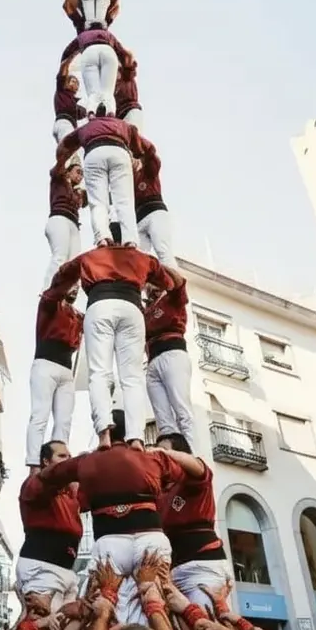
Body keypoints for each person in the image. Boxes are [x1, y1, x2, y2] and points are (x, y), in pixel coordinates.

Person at [37, 439, 185, 625]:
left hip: (110, 547)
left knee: (105, 613)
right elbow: (183, 473)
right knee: (155, 609)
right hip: (150, 541)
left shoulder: (88, 460)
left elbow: (49, 476)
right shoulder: (151, 457)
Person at [45, 244, 174, 446]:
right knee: (132, 377)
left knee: (99, 372)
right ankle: (136, 438)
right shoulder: (140, 257)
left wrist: (55, 293)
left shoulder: (91, 255)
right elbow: (168, 281)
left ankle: (104, 434)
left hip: (100, 304)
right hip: (131, 307)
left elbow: (63, 274)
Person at [54, 115, 157, 249]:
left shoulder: (87, 127)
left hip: (94, 152)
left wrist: (61, 163)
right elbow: (146, 147)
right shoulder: (123, 125)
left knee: (98, 203)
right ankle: (130, 240)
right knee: (124, 201)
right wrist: (139, 158)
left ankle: (102, 238)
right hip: (119, 151)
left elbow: (65, 145)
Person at [153, 435, 231, 610]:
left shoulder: (192, 479)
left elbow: (197, 466)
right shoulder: (161, 493)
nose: (161, 457)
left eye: (166, 451)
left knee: (205, 626)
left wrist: (165, 453)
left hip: (201, 565)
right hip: (175, 570)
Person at [17, 441, 83, 612]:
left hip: (66, 572)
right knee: (38, 627)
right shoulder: (34, 485)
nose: (68, 460)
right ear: (46, 461)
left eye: (69, 456)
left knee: (70, 628)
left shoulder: (70, 494)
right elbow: (52, 477)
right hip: (42, 569)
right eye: (62, 456)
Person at [26, 286, 82, 465]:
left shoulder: (78, 316)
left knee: (64, 419)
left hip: (66, 369)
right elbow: (54, 290)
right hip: (45, 364)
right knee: (40, 415)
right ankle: (34, 462)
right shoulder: (50, 305)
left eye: (77, 286)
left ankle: (60, 462)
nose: (75, 289)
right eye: (71, 285)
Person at [145, 267, 193, 441]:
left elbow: (180, 282)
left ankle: (193, 454)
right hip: (152, 361)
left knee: (182, 410)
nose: (152, 287)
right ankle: (171, 456)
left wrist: (158, 265)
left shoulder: (171, 298)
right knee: (163, 419)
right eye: (148, 284)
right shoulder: (145, 312)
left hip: (172, 354)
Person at [59, 28, 134, 118]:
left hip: (89, 52)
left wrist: (70, 57)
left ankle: (92, 112)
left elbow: (68, 52)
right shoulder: (108, 34)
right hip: (108, 51)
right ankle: (110, 112)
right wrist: (124, 64)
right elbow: (124, 53)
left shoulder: (83, 35)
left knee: (93, 92)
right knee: (107, 91)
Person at [44, 162, 86, 288]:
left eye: (82, 174)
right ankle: (47, 290)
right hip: (59, 218)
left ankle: (66, 295)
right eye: (78, 172)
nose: (80, 176)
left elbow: (98, 195)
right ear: (68, 172)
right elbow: (59, 163)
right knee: (60, 256)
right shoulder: (59, 179)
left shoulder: (78, 193)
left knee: (73, 263)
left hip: (73, 225)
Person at [132, 153, 175, 267]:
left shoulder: (148, 169)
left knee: (163, 251)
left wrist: (138, 145)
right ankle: (140, 283)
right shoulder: (127, 179)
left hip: (155, 212)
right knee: (137, 257)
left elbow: (153, 158)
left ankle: (173, 284)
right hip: (138, 220)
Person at [53, 74, 89, 144]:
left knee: (75, 151)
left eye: (77, 83)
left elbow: (81, 113)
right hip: (64, 123)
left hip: (68, 126)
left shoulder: (74, 102)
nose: (75, 84)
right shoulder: (61, 90)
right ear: (66, 82)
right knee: (71, 149)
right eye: (73, 81)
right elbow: (61, 76)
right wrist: (66, 63)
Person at [115, 62, 142, 130]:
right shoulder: (107, 84)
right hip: (116, 116)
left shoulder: (127, 74)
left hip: (129, 109)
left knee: (133, 132)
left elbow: (128, 60)